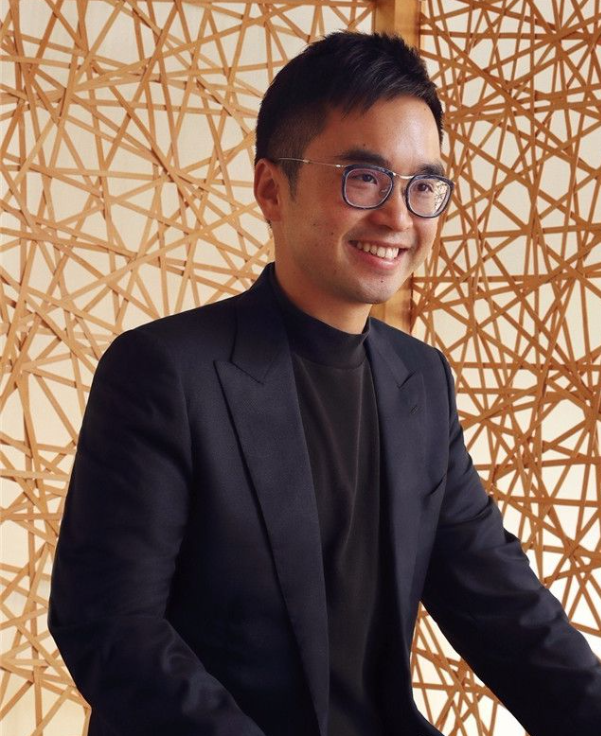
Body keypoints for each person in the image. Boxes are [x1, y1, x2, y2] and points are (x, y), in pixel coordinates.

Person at [49, 31, 601, 736]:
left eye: (423, 186)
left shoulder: (420, 382)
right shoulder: (163, 372)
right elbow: (110, 625)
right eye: (364, 177)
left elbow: (503, 609)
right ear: (270, 190)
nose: (398, 217)